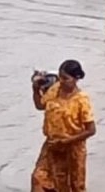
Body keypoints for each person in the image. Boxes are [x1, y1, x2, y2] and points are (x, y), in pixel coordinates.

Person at [32, 60, 96, 192]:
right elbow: (40, 106)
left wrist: (66, 141)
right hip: (52, 145)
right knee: (38, 178)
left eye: (65, 78)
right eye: (60, 77)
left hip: (73, 148)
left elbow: (91, 130)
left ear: (76, 79)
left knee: (73, 186)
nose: (61, 81)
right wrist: (35, 89)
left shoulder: (82, 99)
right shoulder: (55, 89)